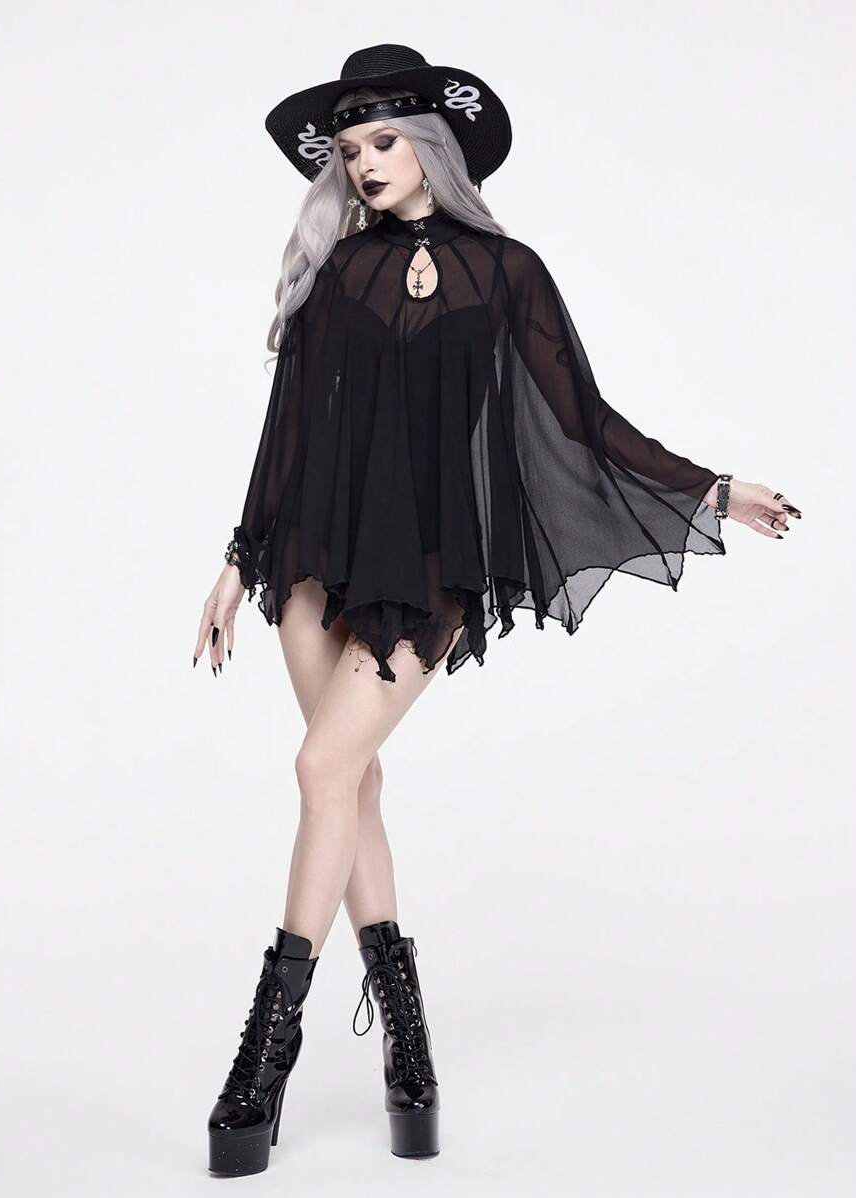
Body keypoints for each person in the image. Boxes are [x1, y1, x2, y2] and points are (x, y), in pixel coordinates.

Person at [195, 45, 802, 1177]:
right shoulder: (336, 270)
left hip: (428, 565)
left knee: (323, 768)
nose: (365, 164)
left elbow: (585, 419)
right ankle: (410, 1051)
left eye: (385, 141)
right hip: (315, 554)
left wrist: (712, 489)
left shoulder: (508, 271)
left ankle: (263, 1060)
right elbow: (286, 430)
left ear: (433, 145)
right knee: (350, 782)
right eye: (350, 148)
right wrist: (239, 560)